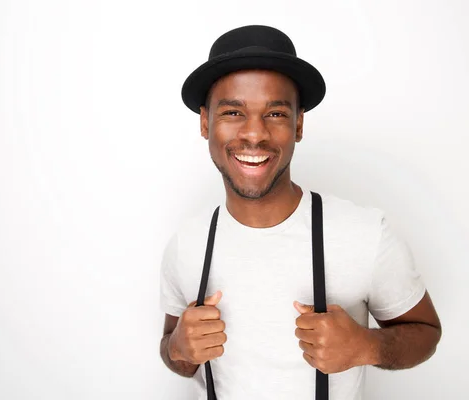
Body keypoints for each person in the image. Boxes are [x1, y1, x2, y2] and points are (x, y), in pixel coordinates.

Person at [158, 25, 441, 400]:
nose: (254, 134)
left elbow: (426, 332)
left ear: (299, 124)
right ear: (205, 123)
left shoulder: (366, 234)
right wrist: (178, 348)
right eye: (232, 112)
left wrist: (366, 346)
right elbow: (173, 352)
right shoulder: (187, 245)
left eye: (275, 113)